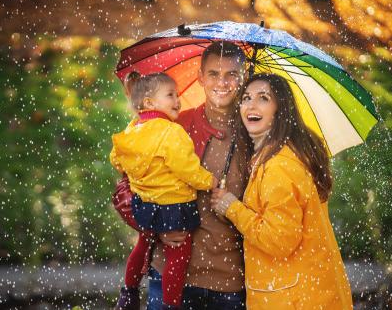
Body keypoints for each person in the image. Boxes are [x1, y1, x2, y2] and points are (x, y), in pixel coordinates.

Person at [211, 73, 353, 310]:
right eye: (246, 98)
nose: (251, 105)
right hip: (310, 290)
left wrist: (232, 207)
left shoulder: (278, 167)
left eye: (263, 98)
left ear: (280, 110)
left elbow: (279, 240)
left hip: (293, 299)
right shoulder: (281, 155)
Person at [146, 41, 250, 310]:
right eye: (214, 74)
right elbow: (130, 187)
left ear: (244, 77)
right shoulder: (174, 126)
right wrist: (157, 226)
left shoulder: (256, 133)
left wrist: (233, 206)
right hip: (171, 274)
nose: (222, 82)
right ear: (201, 77)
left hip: (231, 283)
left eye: (231, 74)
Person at [110, 71, 219, 310]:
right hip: (173, 205)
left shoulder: (132, 129)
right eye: (170, 95)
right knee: (178, 255)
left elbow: (116, 159)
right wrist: (208, 181)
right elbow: (186, 168)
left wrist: (140, 175)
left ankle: (128, 293)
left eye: (177, 94)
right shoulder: (171, 131)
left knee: (142, 244)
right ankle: (171, 304)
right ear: (150, 102)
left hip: (144, 204)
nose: (177, 100)